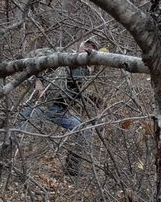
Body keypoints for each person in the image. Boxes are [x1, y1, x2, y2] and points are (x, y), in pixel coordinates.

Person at [15, 40, 99, 175]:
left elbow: (72, 91)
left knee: (83, 129)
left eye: (92, 48)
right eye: (86, 46)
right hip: (42, 104)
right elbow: (29, 59)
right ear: (80, 47)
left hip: (59, 110)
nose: (87, 49)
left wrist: (90, 100)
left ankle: (72, 168)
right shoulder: (61, 53)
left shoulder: (85, 71)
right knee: (20, 130)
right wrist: (37, 82)